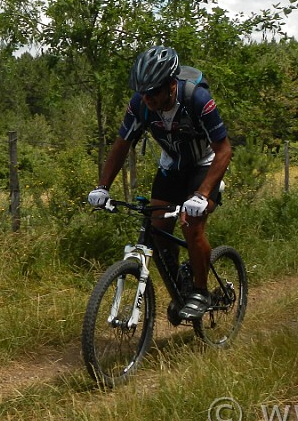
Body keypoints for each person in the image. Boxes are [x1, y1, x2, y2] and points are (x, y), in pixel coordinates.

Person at [88, 45, 232, 321]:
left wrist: (201, 195)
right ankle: (181, 288)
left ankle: (200, 291)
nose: (147, 98)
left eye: (153, 91)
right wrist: (102, 186)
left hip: (205, 163)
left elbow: (224, 150)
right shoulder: (140, 104)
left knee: (191, 222)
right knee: (157, 227)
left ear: (170, 84)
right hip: (173, 165)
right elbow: (121, 146)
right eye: (143, 92)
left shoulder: (197, 99)